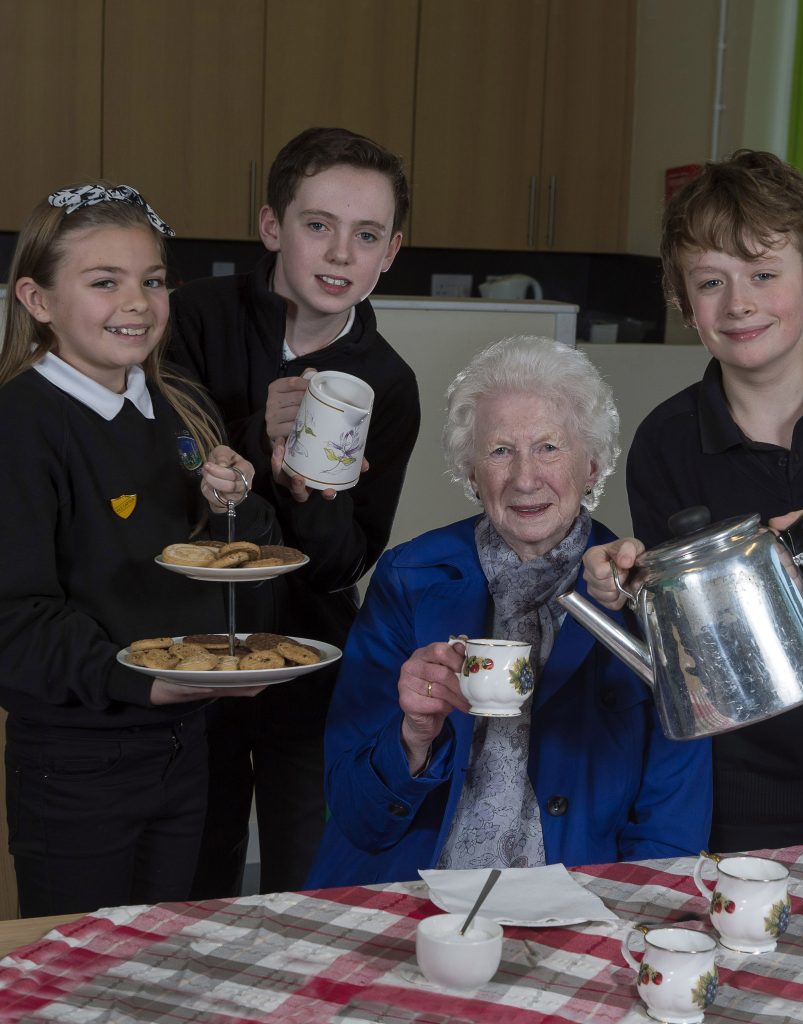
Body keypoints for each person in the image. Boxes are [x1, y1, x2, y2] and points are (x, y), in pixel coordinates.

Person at [305, 336, 711, 887]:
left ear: (592, 465)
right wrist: (413, 738)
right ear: (472, 474)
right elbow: (355, 815)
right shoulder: (410, 577)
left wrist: (623, 914)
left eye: (549, 447)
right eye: (499, 451)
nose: (524, 478)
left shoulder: (643, 589)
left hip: (581, 895)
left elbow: (673, 818)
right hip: (412, 891)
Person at [583, 150, 803, 852]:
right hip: (739, 805)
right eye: (710, 282)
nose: (740, 303)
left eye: (763, 274)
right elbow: (686, 656)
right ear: (684, 303)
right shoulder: (667, 443)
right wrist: (627, 586)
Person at [0, 183, 278, 917]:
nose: (137, 302)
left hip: (187, 746)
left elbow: (247, 564)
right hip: (76, 761)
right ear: (37, 299)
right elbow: (15, 620)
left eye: (152, 281)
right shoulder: (21, 423)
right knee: (83, 975)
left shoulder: (181, 403)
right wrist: (146, 681)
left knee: (164, 960)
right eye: (104, 282)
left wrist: (234, 506)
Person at [168, 127, 421, 896]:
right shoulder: (190, 319)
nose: (342, 254)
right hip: (187, 649)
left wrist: (312, 495)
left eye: (366, 235)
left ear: (391, 251)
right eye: (319, 226)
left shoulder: (389, 384)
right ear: (273, 227)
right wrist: (252, 437)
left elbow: (349, 560)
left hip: (309, 657)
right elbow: (151, 480)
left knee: (309, 878)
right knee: (189, 875)